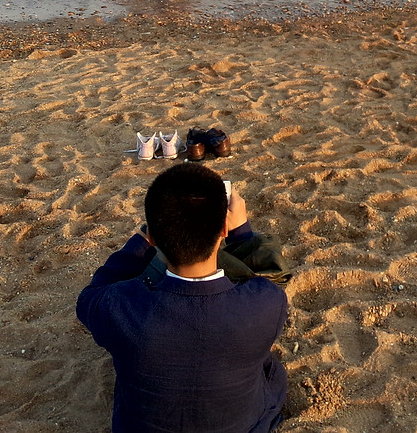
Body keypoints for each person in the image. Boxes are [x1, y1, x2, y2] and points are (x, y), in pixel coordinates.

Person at [76, 162, 290, 433]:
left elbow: (89, 297)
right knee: (270, 372)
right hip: (244, 424)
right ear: (224, 228)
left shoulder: (120, 307)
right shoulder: (265, 304)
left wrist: (140, 242)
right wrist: (243, 233)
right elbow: (272, 276)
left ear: (153, 236)